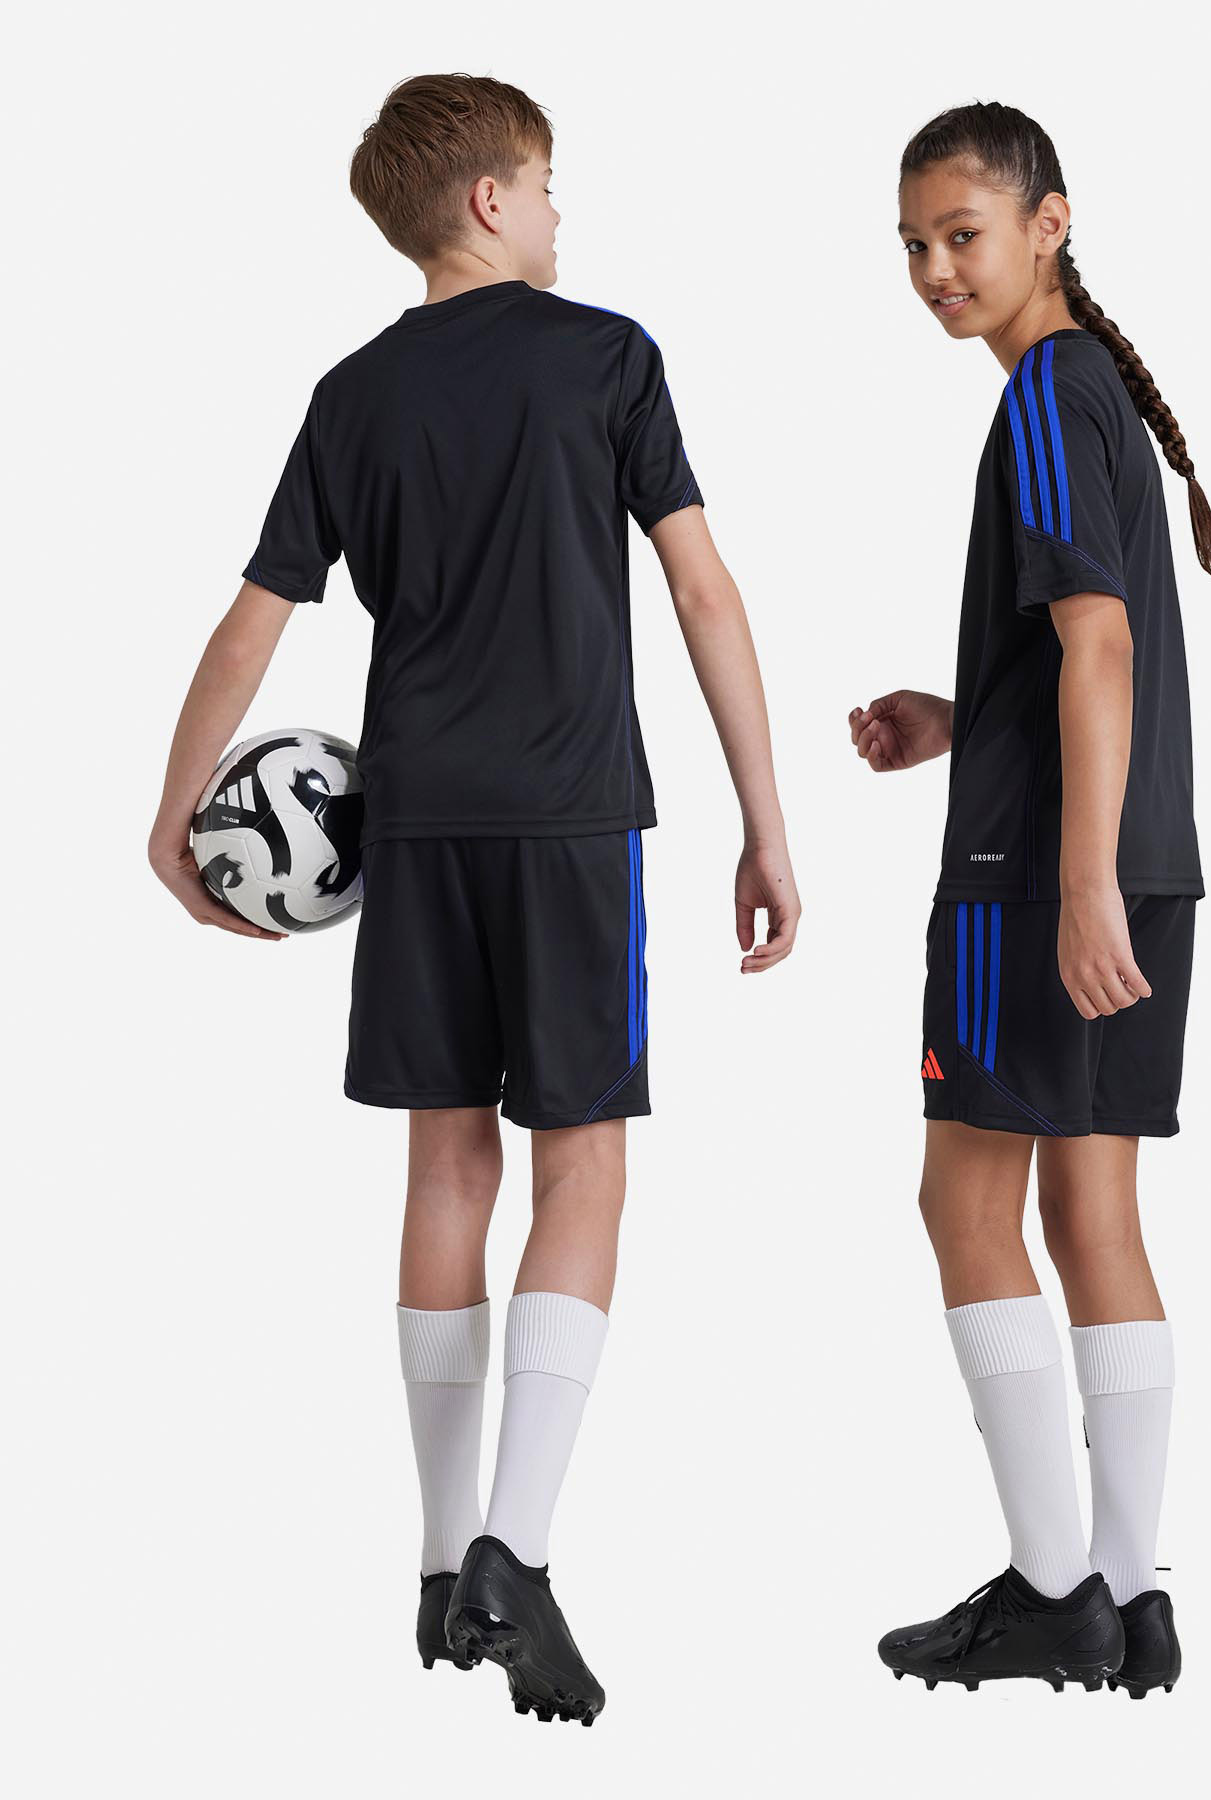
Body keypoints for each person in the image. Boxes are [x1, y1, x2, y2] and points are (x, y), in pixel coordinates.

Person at [148, 73, 799, 1727]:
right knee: (583, 1161)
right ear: (494, 201)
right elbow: (703, 591)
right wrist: (765, 820)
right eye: (552, 183)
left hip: (420, 828)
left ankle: (444, 1571)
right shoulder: (607, 356)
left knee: (445, 1161)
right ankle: (517, 1549)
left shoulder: (351, 394)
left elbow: (252, 622)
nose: (565, 212)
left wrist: (175, 809)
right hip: (573, 822)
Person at [851, 101, 1211, 1697]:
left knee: (966, 1206)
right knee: (1093, 1214)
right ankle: (1130, 1597)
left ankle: (1055, 1588)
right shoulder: (1085, 395)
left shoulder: (1052, 391)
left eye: (964, 234)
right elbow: (1076, 651)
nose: (937, 268)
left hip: (1044, 884)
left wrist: (1073, 887)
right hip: (1145, 861)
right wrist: (962, 717)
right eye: (913, 245)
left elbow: (1103, 645)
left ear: (1048, 226)